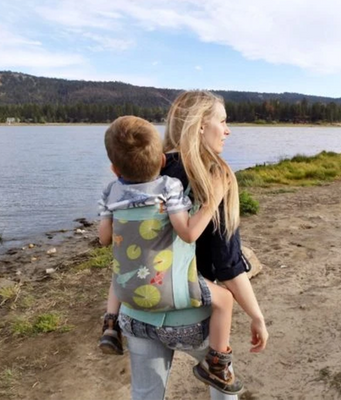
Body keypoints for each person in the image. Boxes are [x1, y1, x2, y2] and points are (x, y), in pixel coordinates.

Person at [102, 91, 268, 400]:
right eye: (223, 120)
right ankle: (217, 369)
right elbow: (226, 265)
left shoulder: (145, 169)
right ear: (201, 126)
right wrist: (257, 316)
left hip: (136, 312)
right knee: (222, 387)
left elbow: (118, 240)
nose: (227, 130)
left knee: (145, 395)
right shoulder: (212, 176)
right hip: (188, 314)